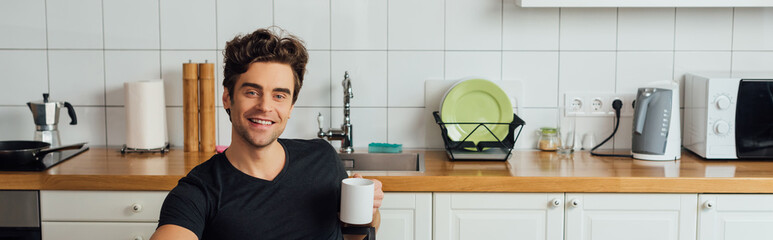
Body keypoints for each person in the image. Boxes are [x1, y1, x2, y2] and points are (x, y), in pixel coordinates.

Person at [150, 27, 383, 240]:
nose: (265, 106)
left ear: (291, 107)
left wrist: (368, 209)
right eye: (252, 92)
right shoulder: (198, 191)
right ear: (227, 98)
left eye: (279, 96)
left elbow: (355, 236)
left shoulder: (323, 158)